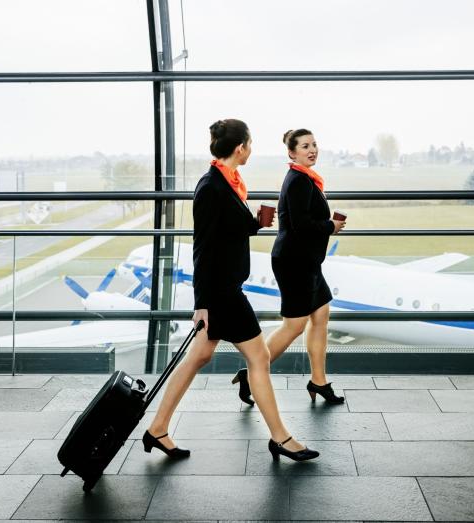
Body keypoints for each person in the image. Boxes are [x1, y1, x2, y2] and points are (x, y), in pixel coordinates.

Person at [143, 119, 319, 462]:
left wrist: (255, 223)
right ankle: (280, 438)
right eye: (250, 144)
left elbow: (227, 231)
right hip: (221, 293)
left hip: (224, 288)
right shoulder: (211, 187)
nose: (251, 149)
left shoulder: (227, 182)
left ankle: (158, 429)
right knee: (260, 357)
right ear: (240, 147)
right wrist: (202, 303)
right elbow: (203, 247)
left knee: (200, 356)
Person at [233, 129, 347, 406]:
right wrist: (330, 226)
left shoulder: (306, 179)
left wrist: (326, 226)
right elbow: (300, 225)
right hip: (294, 262)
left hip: (307, 261)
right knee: (294, 325)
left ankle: (318, 381)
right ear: (292, 153)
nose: (312, 149)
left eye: (315, 144)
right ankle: (251, 373)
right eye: (305, 146)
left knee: (320, 316)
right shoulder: (297, 180)